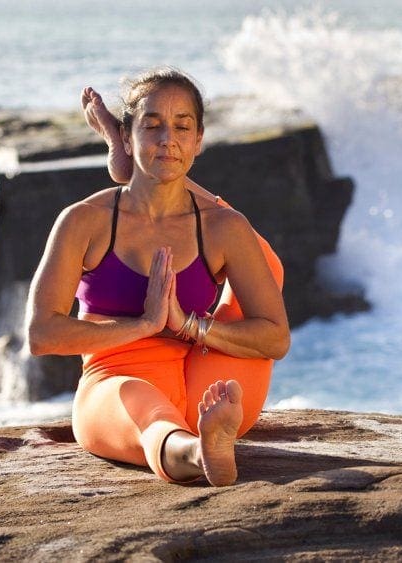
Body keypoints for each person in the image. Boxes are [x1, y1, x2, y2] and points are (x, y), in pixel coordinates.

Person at [26, 67, 290, 486]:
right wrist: (145, 324)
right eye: (151, 127)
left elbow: (276, 338)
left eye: (182, 127)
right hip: (114, 376)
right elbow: (41, 335)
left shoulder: (221, 226)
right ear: (131, 136)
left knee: (263, 262)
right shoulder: (84, 221)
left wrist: (187, 323)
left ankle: (204, 436)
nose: (168, 139)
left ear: (199, 140)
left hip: (205, 375)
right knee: (145, 406)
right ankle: (198, 452)